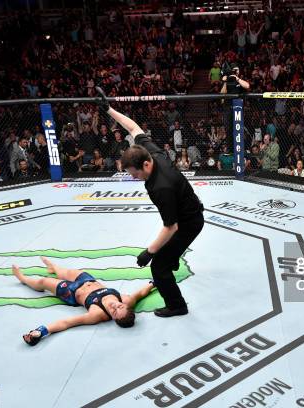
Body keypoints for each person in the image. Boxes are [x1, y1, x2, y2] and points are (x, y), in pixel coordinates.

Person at [97, 87, 204, 317]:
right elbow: (133, 127)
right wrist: (109, 109)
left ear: (145, 165)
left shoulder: (161, 186)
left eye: (135, 174)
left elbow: (171, 227)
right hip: (189, 209)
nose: (135, 179)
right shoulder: (150, 153)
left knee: (159, 266)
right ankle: (172, 258)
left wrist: (149, 252)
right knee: (167, 253)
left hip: (189, 222)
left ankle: (177, 306)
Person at [15, 257, 154, 346]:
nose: (114, 306)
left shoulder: (97, 314)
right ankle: (54, 268)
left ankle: (23, 279)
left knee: (43, 281)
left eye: (114, 311)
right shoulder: (127, 301)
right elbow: (140, 293)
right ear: (124, 304)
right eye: (119, 306)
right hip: (87, 280)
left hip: (71, 292)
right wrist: (153, 283)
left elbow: (67, 323)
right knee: (68, 271)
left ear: (112, 317)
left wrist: (40, 332)